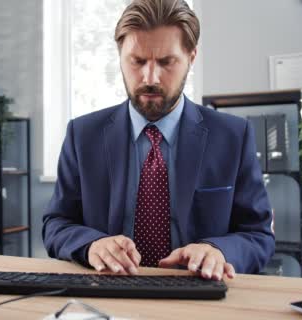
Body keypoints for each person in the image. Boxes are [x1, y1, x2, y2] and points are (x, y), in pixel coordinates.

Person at [43, 0, 274, 280]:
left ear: (191, 56)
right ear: (120, 56)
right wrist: (91, 245)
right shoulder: (82, 135)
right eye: (137, 61)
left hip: (198, 297)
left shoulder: (233, 136)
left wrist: (218, 250)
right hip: (108, 291)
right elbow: (57, 224)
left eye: (166, 62)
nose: (150, 77)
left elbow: (258, 235)